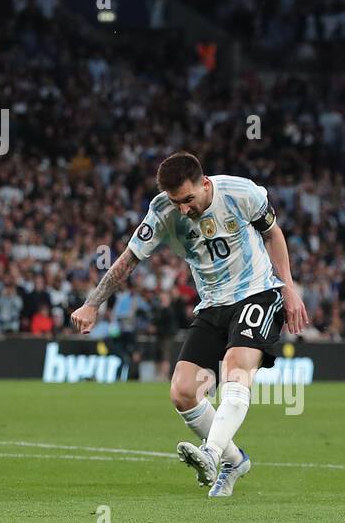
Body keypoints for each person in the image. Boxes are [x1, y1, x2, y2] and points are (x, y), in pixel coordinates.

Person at [70, 151, 308, 498]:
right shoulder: (164, 211)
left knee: (236, 368)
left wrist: (287, 287)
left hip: (256, 292)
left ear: (205, 184)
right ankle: (234, 460)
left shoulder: (243, 193)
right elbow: (129, 259)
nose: (183, 209)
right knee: (182, 391)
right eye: (175, 201)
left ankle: (211, 454)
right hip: (212, 304)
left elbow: (273, 234)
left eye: (187, 199)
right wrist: (92, 304)